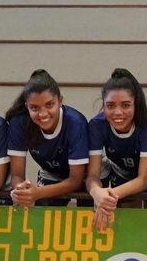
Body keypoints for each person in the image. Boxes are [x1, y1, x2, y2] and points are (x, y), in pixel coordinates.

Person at [85, 69, 147, 230]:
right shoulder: (96, 126)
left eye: (125, 105)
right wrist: (97, 193)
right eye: (110, 106)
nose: (118, 112)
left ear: (136, 104)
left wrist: (107, 196)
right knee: (129, 230)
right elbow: (92, 175)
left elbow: (144, 179)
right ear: (103, 105)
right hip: (122, 177)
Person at [6, 69, 88, 209]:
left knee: (89, 220)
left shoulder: (76, 122)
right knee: (41, 220)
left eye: (49, 105)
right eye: (35, 108)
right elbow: (16, 175)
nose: (43, 113)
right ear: (27, 106)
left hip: (86, 175)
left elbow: (76, 179)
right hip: (51, 173)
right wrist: (21, 189)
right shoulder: (19, 123)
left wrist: (38, 192)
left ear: (60, 101)